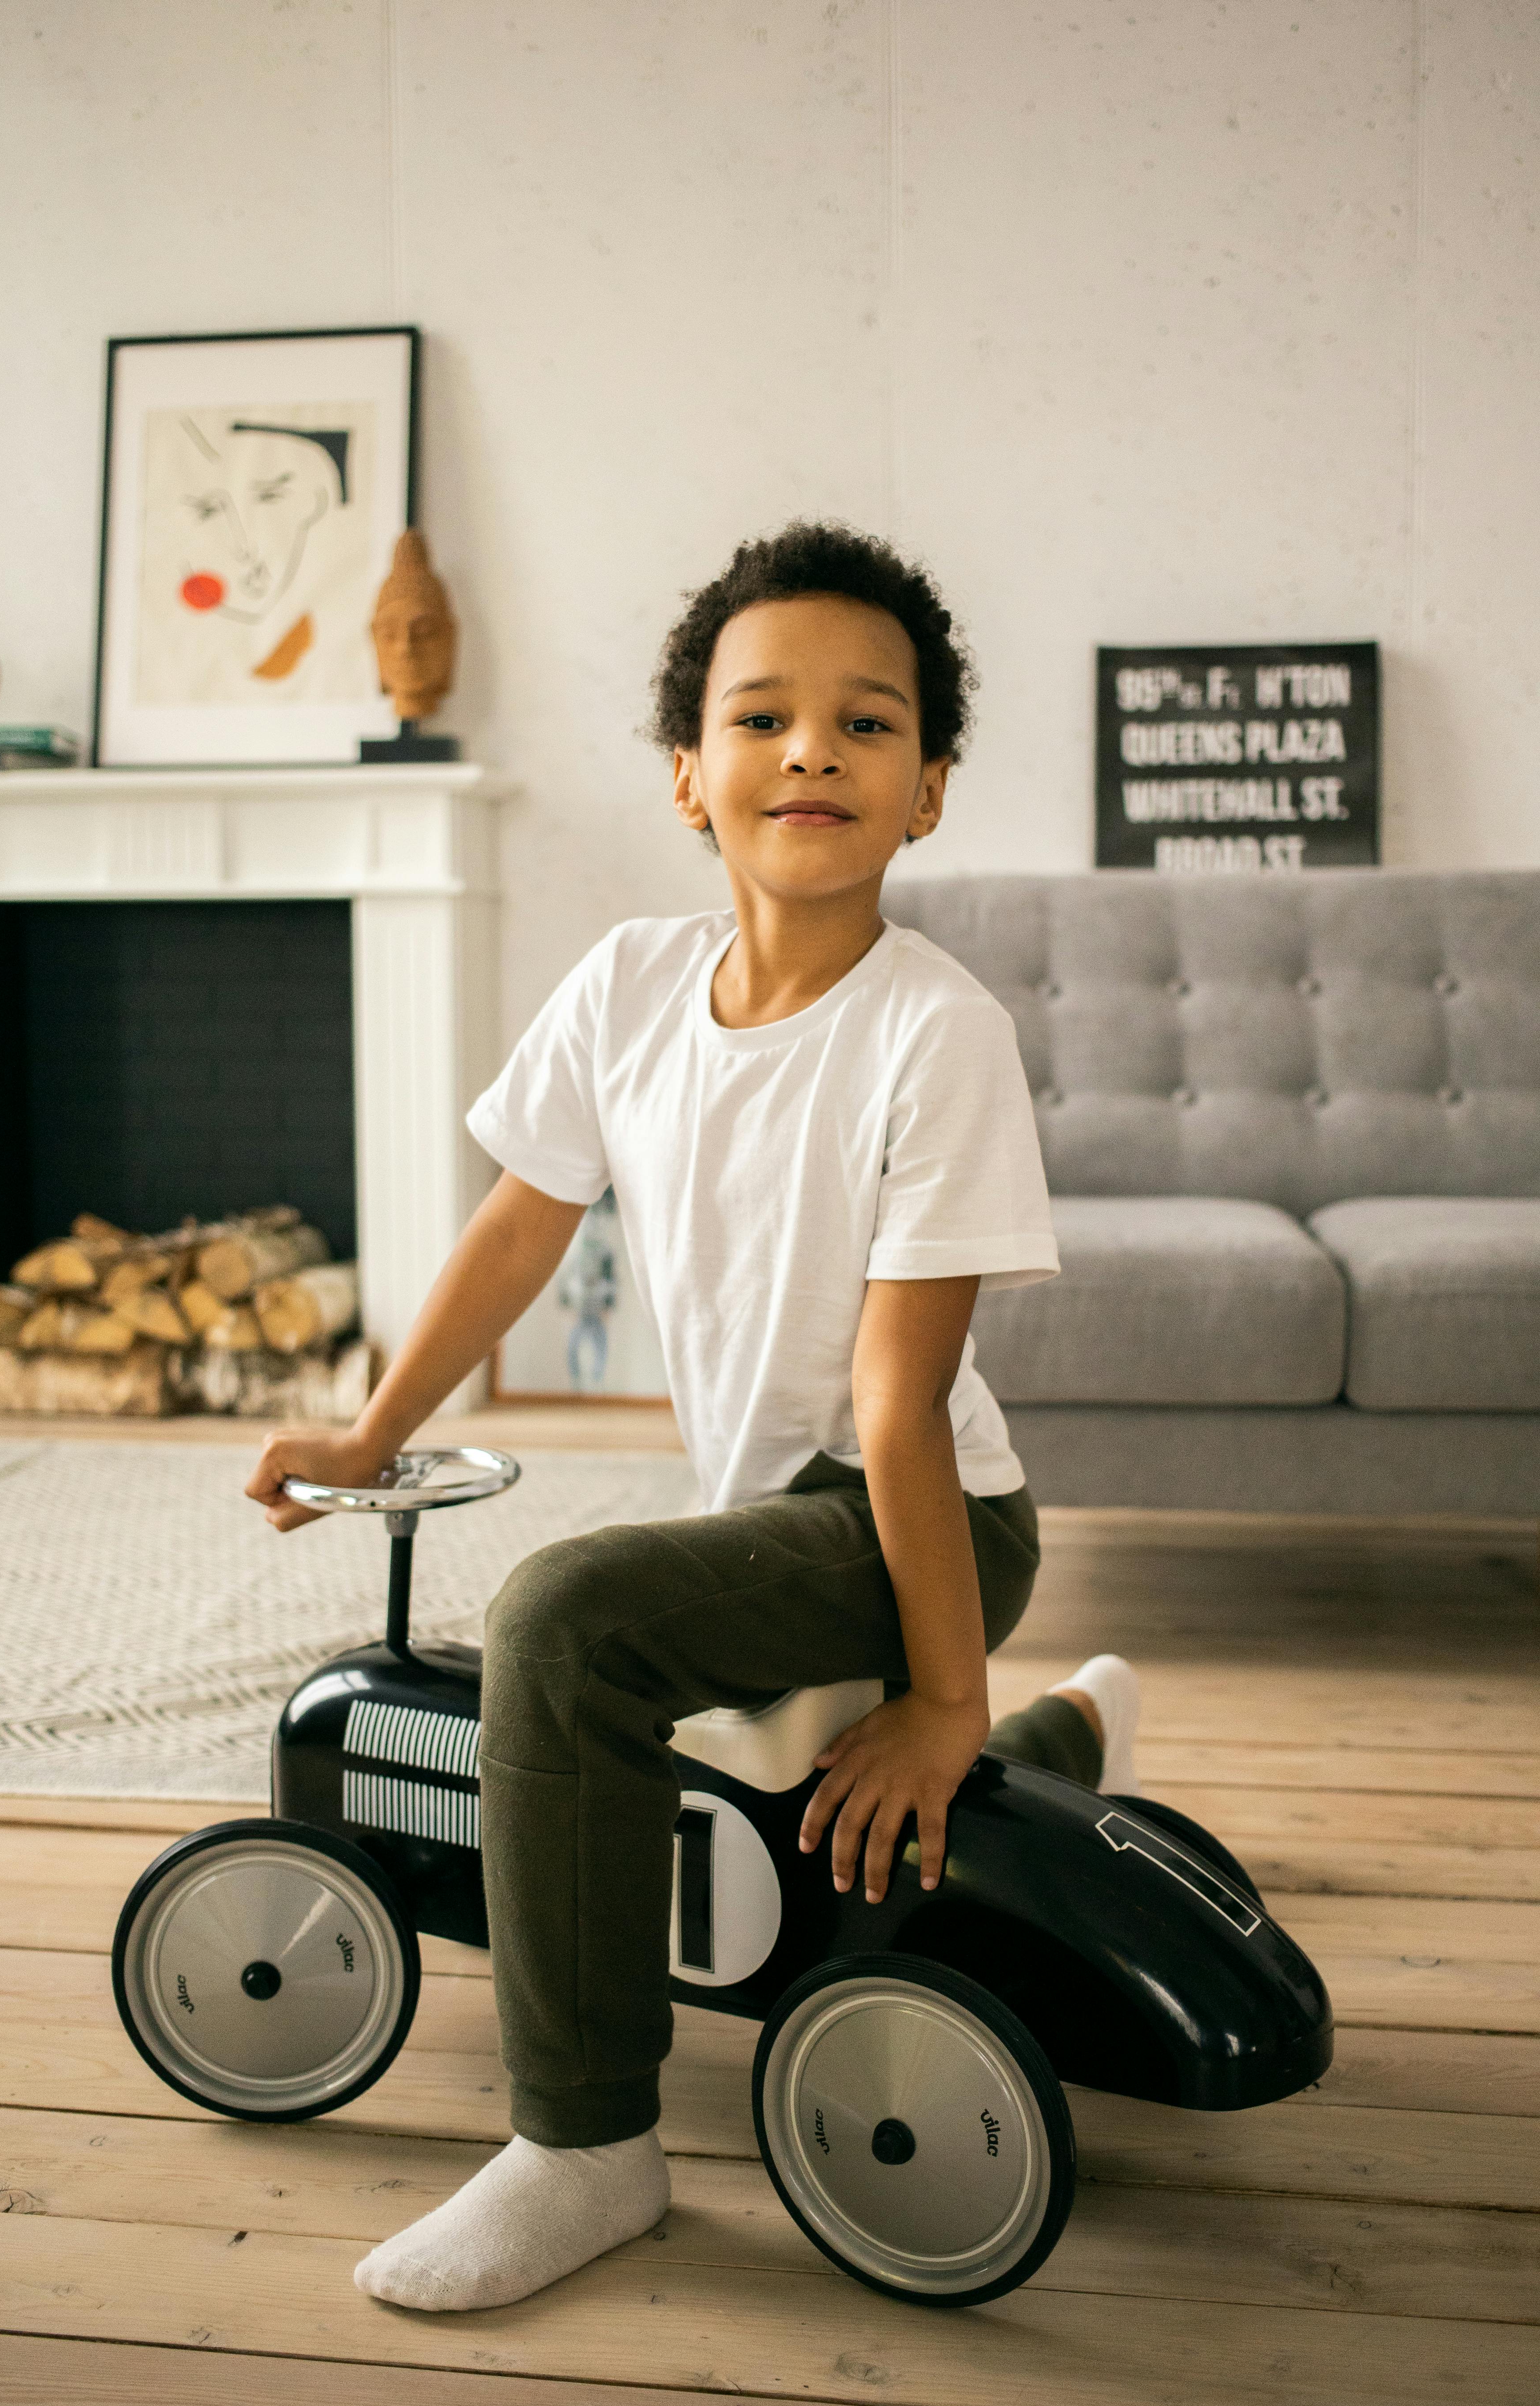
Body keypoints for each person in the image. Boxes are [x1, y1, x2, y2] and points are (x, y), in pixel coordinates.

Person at [244, 521, 1142, 2313]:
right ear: (689, 775)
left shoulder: (934, 1033)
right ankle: (1060, 1745)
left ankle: (587, 2148)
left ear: (930, 792)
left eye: (869, 724)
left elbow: (898, 1411)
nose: (813, 748)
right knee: (781, 1769)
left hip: (934, 1515)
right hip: (793, 1499)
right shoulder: (631, 988)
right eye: (765, 715)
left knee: (568, 1622)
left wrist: (944, 1694)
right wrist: (364, 1435)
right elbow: (517, 1230)